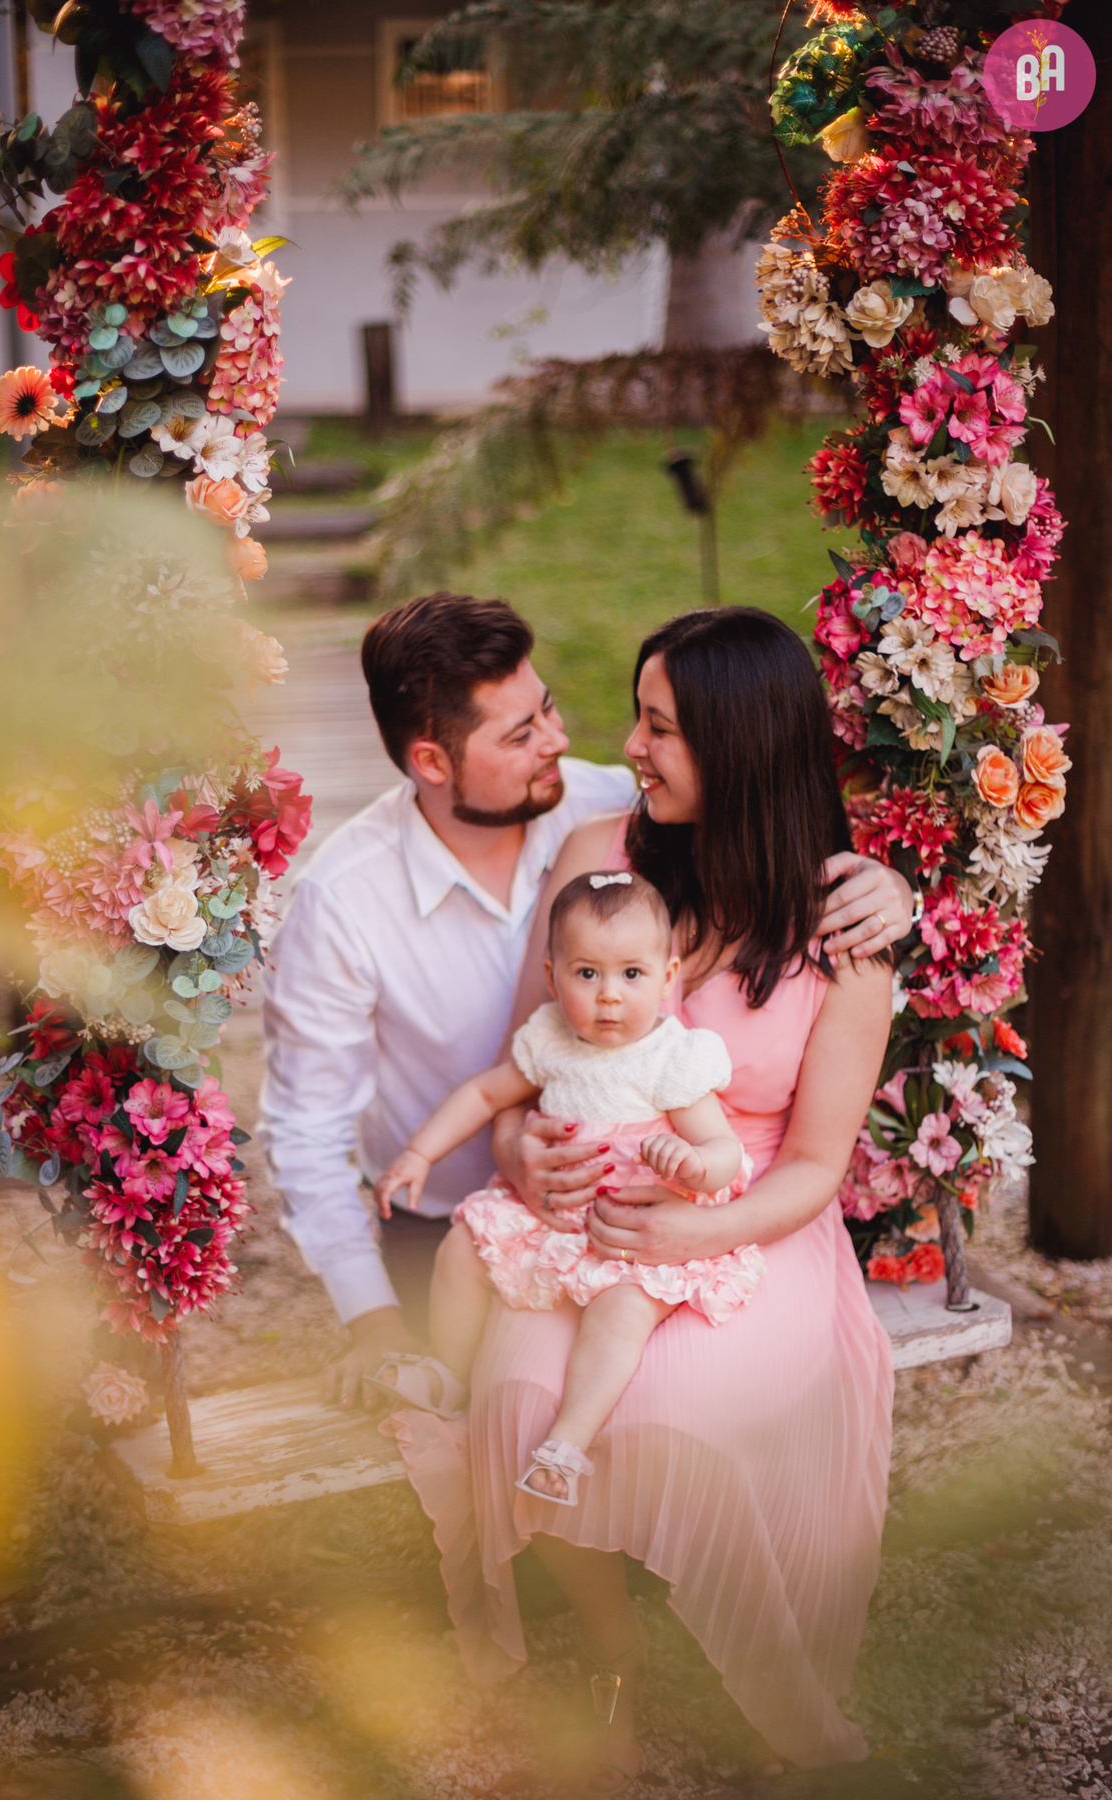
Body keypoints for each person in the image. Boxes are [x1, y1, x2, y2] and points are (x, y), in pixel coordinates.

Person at [387, 608, 896, 1786]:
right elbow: (525, 1065)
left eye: (661, 727)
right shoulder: (599, 862)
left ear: (742, 741)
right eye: (639, 717)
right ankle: (610, 1657)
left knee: (675, 1419)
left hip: (750, 1224)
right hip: (589, 1220)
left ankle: (778, 1684)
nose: (635, 744)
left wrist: (699, 1226)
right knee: (520, 1400)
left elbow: (818, 1168)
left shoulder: (845, 928)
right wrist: (519, 1156)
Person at [260, 591, 911, 1412]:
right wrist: (376, 1320)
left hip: (669, 1202)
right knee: (517, 1396)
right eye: (522, 734)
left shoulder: (599, 806)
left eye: (550, 709)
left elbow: (761, 805)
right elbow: (307, 1133)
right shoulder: (344, 905)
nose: (563, 743)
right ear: (433, 763)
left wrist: (894, 889)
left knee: (665, 1401)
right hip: (454, 1216)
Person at [370, 870, 759, 1506]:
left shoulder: (671, 1058)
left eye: (632, 974)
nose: (609, 996)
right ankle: (450, 1371)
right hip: (553, 1216)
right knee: (459, 1249)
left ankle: (567, 1443)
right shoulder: (550, 1038)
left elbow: (725, 1153)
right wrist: (418, 1152)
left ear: (667, 978)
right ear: (552, 977)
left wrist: (690, 1162)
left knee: (622, 1313)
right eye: (588, 974)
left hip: (629, 1230)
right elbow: (484, 1093)